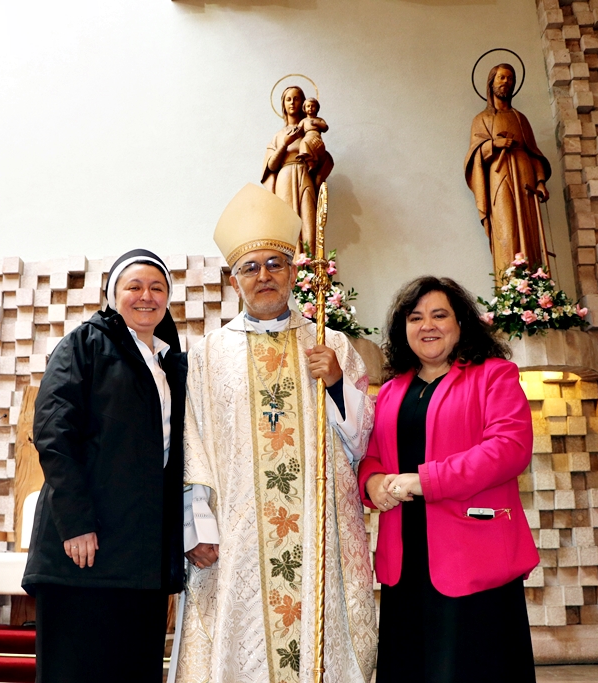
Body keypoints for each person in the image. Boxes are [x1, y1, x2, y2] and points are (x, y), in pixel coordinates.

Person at [173, 183, 377, 683]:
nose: (263, 276)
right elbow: (192, 444)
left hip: (317, 533)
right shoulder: (208, 354)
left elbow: (360, 442)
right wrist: (197, 528)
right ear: (234, 280)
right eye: (250, 267)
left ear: (292, 272)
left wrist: (336, 383)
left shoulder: (331, 344)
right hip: (237, 536)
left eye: (274, 264)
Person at [358, 276, 540, 683]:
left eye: (439, 315)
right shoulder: (391, 390)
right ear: (403, 329)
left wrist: (425, 481)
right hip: (406, 562)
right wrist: (372, 482)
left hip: (474, 560)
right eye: (415, 317)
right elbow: (371, 456)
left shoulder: (494, 375)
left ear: (461, 324)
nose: (428, 326)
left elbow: (509, 449)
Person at [22, 249, 186, 683]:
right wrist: (76, 522)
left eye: (157, 287)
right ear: (113, 295)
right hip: (84, 551)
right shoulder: (84, 344)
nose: (146, 296)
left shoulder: (170, 362)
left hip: (141, 557)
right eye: (135, 286)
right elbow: (54, 433)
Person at [465, 63, 552, 281]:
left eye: (510, 78)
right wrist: (493, 144)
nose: (506, 82)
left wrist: (540, 181)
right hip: (499, 177)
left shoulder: (520, 118)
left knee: (528, 232)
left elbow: (534, 153)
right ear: (491, 82)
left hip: (525, 177)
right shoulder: (482, 119)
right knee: (506, 230)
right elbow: (474, 155)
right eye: (501, 77)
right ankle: (509, 285)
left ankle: (533, 284)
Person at [262, 86, 333, 257]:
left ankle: (309, 265)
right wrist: (285, 143)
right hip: (284, 179)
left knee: (309, 222)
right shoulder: (278, 136)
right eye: (288, 99)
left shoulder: (309, 131)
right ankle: (289, 264)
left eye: (296, 98)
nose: (292, 103)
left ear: (303, 103)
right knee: (287, 224)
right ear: (283, 105)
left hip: (305, 176)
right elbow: (271, 166)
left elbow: (323, 160)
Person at [296, 97, 328, 170]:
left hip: (315, 136)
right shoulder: (304, 120)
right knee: (303, 143)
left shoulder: (319, 119)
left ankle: (306, 156)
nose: (310, 108)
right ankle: (310, 164)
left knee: (305, 142)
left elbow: (325, 127)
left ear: (317, 108)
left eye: (312, 106)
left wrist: (317, 123)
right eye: (308, 106)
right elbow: (299, 128)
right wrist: (296, 129)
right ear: (304, 109)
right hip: (307, 136)